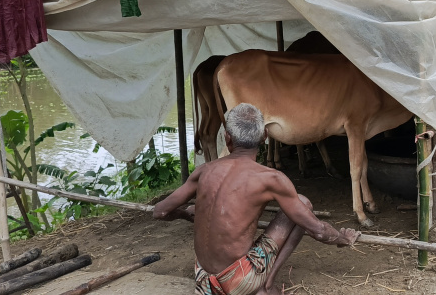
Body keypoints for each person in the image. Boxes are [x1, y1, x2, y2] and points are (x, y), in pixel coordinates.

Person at [154, 103, 359, 295]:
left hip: (204, 281)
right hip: (238, 281)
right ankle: (266, 285)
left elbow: (160, 211)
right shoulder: (271, 179)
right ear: (265, 136)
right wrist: (343, 239)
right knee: (302, 203)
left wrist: (185, 214)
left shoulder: (203, 171)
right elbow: (319, 231)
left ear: (227, 138)